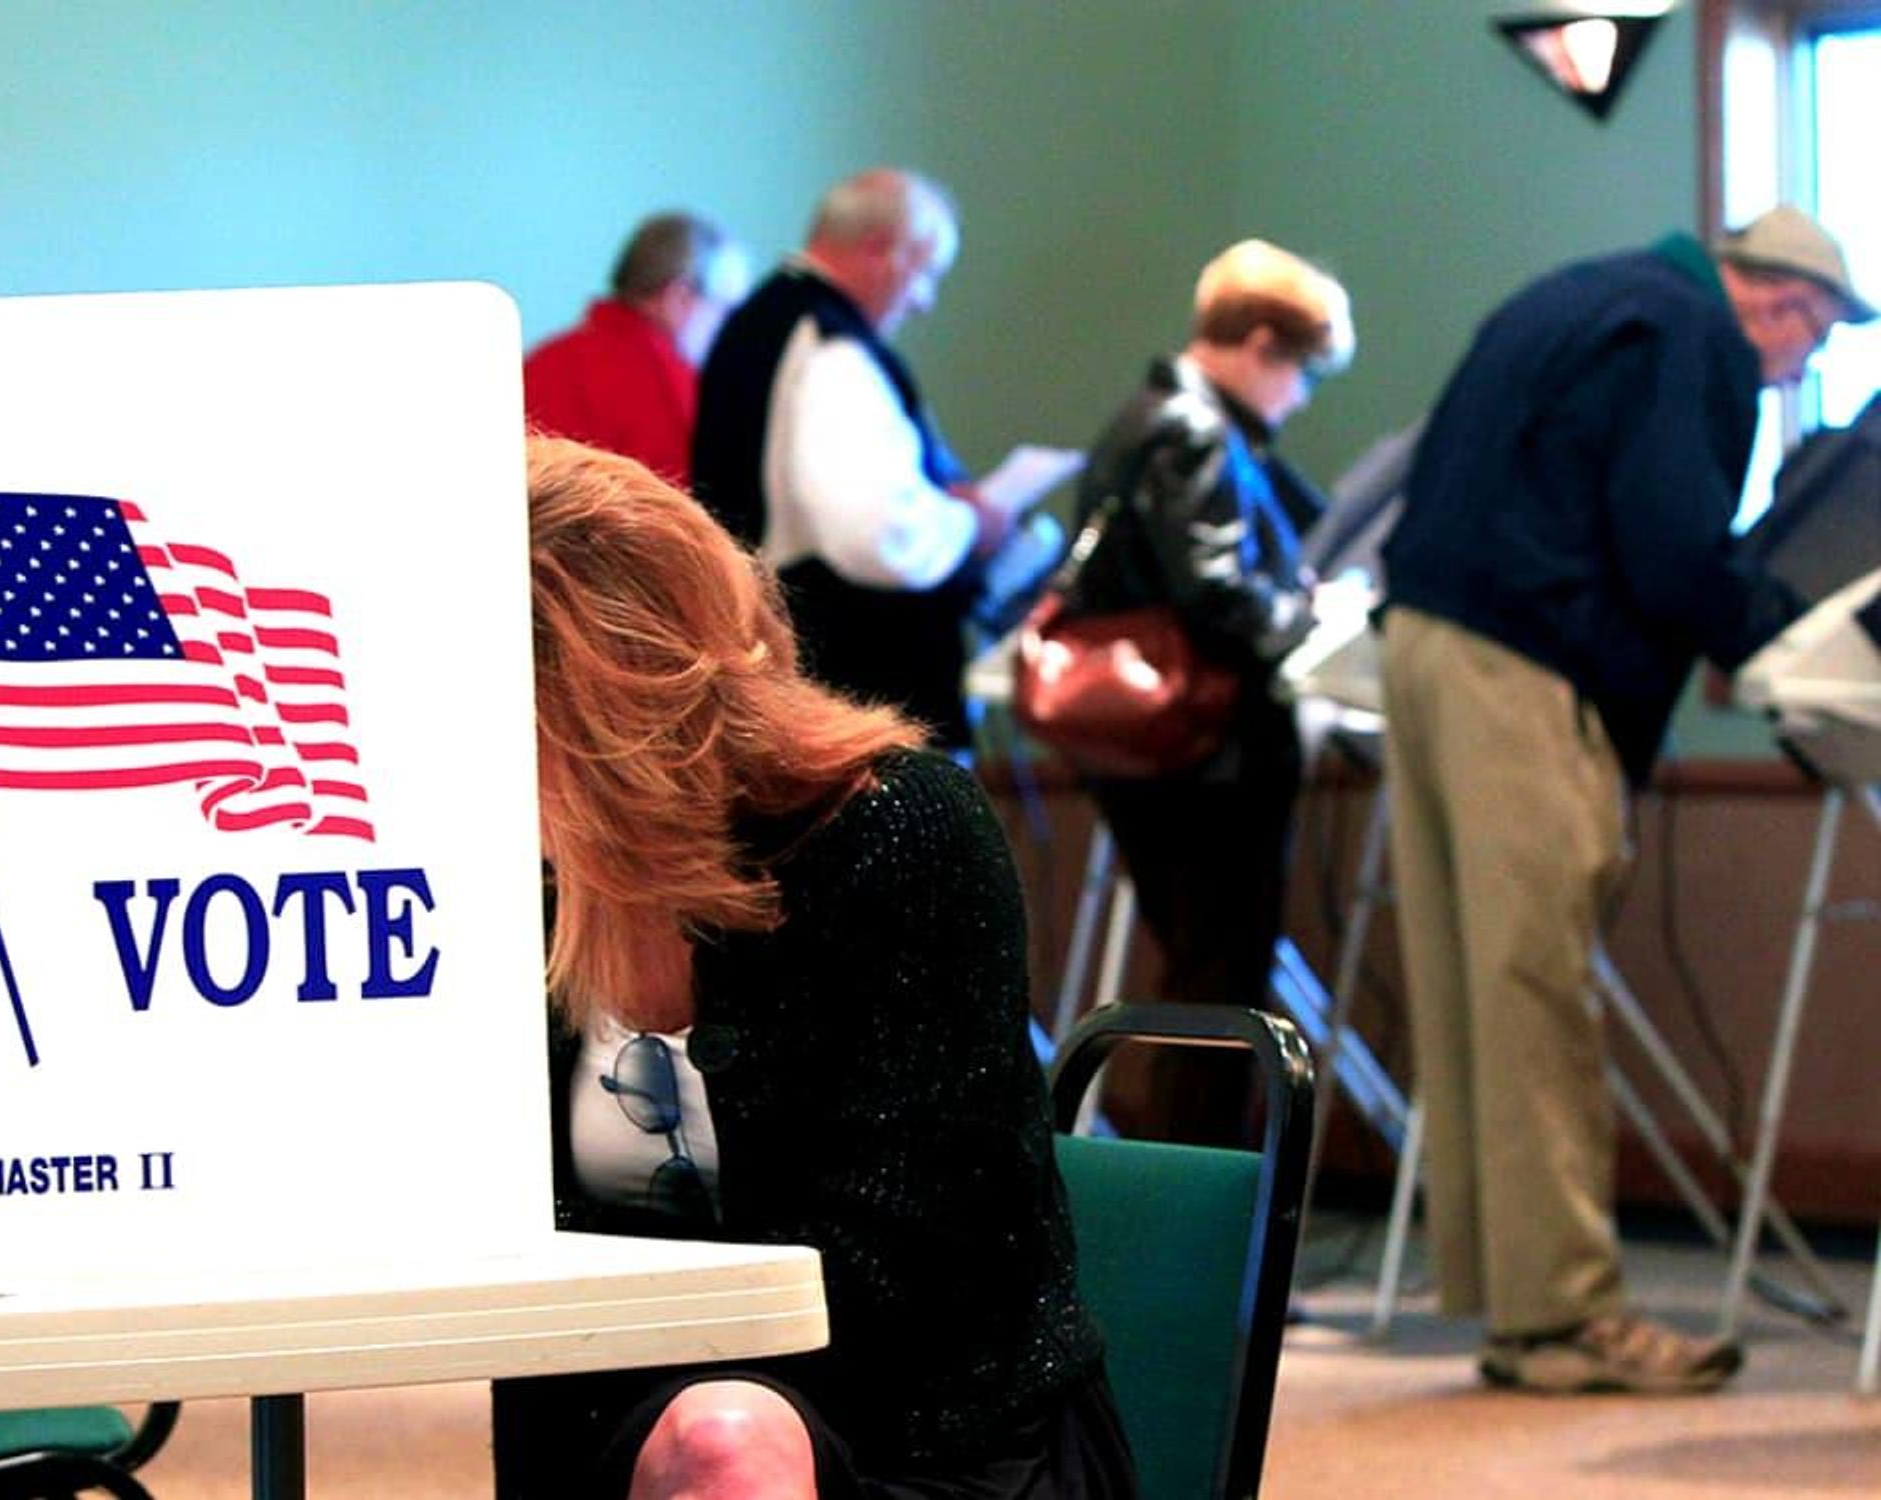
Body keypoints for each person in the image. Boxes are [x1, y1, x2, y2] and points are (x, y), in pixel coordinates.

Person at [492, 437, 1134, 1499]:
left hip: (934, 1436)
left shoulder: (897, 832)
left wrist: (594, 1299)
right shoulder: (524, 880)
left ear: (609, 719)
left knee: (725, 1444)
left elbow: (899, 1268)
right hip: (621, 1422)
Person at [1378, 203, 1874, 1395]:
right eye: (1813, 339)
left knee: (1470, 988)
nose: (1801, 364)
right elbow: (1664, 538)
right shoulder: (1692, 331)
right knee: (1536, 991)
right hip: (1523, 670)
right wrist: (1768, 630)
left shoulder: (1574, 290)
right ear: (1780, 302)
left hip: (1420, 644)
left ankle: (1507, 1301)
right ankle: (1563, 1320)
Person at [1067, 240, 1354, 1127]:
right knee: (1221, 989)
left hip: (1150, 751)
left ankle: (1196, 1202)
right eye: (1302, 372)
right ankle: (1211, 1212)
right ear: (1264, 343)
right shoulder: (1194, 430)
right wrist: (1313, 619)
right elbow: (1216, 595)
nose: (1299, 397)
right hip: (1208, 757)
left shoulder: (1142, 416)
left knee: (1201, 972)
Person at [691, 168, 1011, 752]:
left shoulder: (758, 322)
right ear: (879, 250)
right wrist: (970, 524)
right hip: (855, 695)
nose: (924, 301)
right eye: (926, 274)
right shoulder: (829, 347)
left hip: (779, 668)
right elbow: (875, 533)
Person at [522, 212, 750, 482]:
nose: (729, 327)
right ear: (677, 296)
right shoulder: (669, 385)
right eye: (724, 309)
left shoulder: (543, 359)